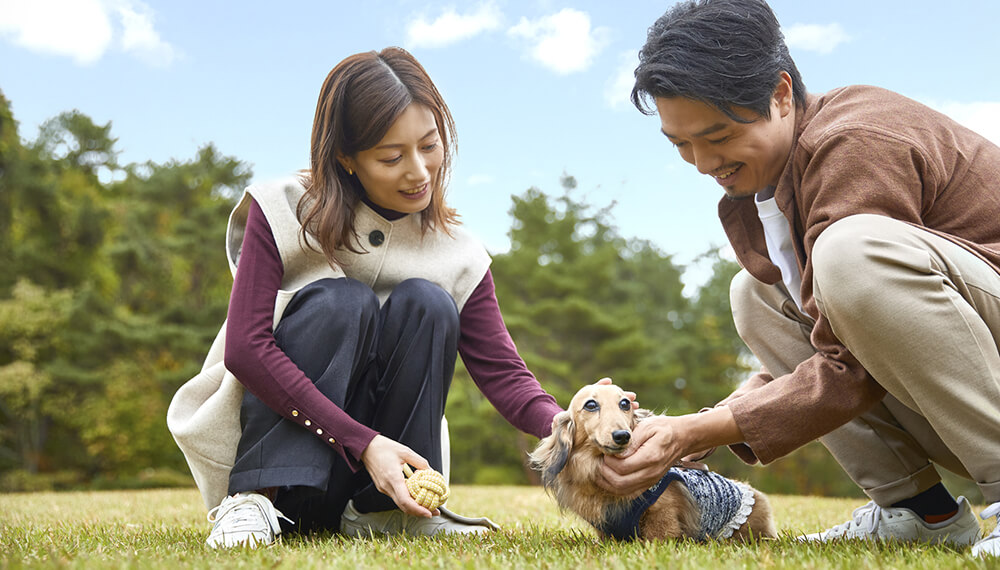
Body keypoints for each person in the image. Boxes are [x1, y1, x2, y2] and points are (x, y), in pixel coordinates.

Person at [598, 0, 1000, 557]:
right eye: (681, 144)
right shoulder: (770, 185)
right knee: (755, 293)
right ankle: (919, 512)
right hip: (965, 375)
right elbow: (840, 343)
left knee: (852, 254)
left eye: (717, 136)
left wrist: (701, 430)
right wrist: (714, 419)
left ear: (781, 94)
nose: (701, 162)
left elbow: (848, 365)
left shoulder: (856, 142)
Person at [166, 47, 567, 548]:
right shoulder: (285, 209)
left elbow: (505, 375)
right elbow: (247, 348)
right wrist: (364, 442)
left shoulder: (458, 252)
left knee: (429, 302)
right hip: (281, 472)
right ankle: (254, 500)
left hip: (381, 485)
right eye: (392, 157)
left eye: (430, 145)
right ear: (345, 157)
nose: (420, 171)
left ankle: (388, 514)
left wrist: (577, 425)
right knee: (342, 301)